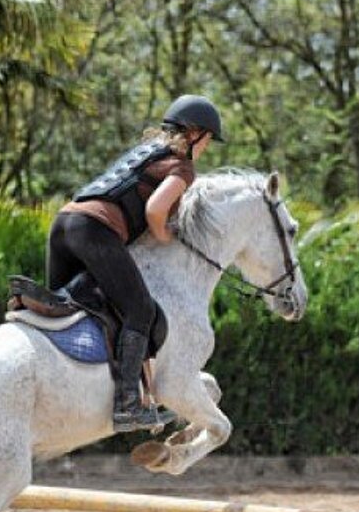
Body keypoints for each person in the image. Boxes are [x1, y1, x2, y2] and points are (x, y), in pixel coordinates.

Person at [33, 95, 224, 432]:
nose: (206, 148)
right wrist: (164, 236)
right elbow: (155, 210)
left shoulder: (146, 152)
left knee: (67, 312)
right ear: (194, 134)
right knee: (140, 311)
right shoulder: (182, 166)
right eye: (208, 140)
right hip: (95, 231)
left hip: (63, 224)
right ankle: (127, 406)